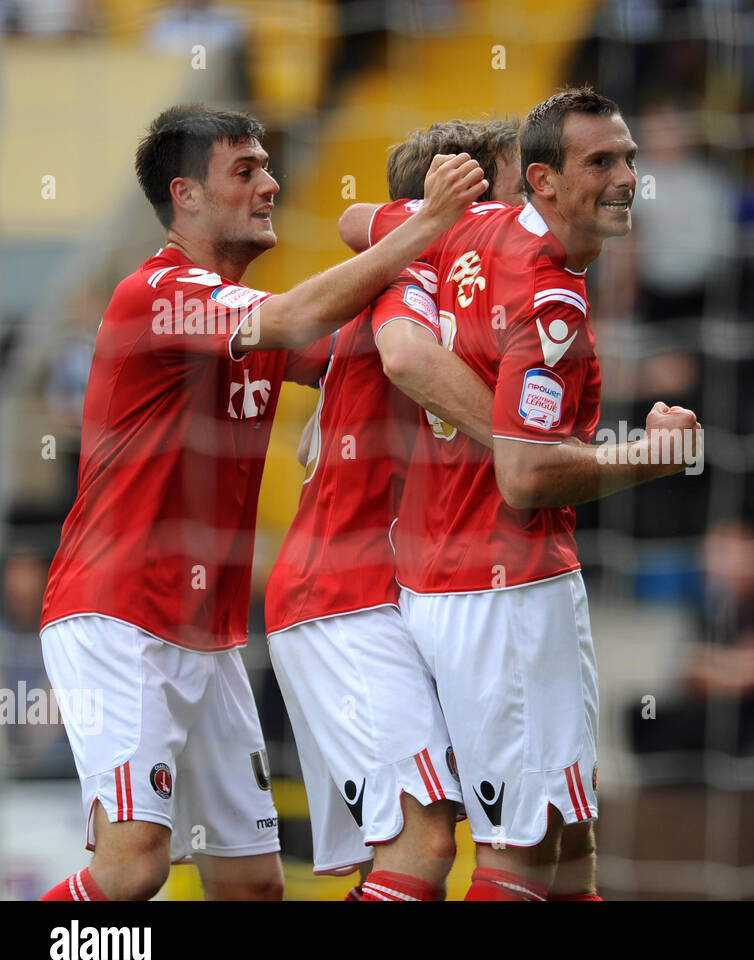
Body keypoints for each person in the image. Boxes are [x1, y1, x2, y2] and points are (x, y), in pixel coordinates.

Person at [37, 103, 485, 901]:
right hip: (116, 615)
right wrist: (423, 227)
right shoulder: (160, 295)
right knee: (133, 868)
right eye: (245, 171)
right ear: (188, 196)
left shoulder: (238, 312)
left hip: (209, 636)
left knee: (251, 888)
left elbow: (360, 350)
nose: (272, 184)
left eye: (269, 165)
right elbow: (299, 319)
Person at [349, 87, 702, 900]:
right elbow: (526, 473)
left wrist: (430, 219)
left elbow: (350, 222)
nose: (624, 179)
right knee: (517, 864)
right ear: (540, 179)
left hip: (453, 579)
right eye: (600, 163)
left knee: (571, 846)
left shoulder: (468, 232)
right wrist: (651, 456)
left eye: (630, 159)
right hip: (506, 590)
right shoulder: (551, 299)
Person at [266, 119, 522, 902]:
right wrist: (528, 450)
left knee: (444, 842)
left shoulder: (433, 290)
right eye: (516, 190)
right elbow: (404, 355)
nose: (528, 214)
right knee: (423, 841)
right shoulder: (414, 282)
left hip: (395, 598)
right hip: (341, 598)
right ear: (459, 200)